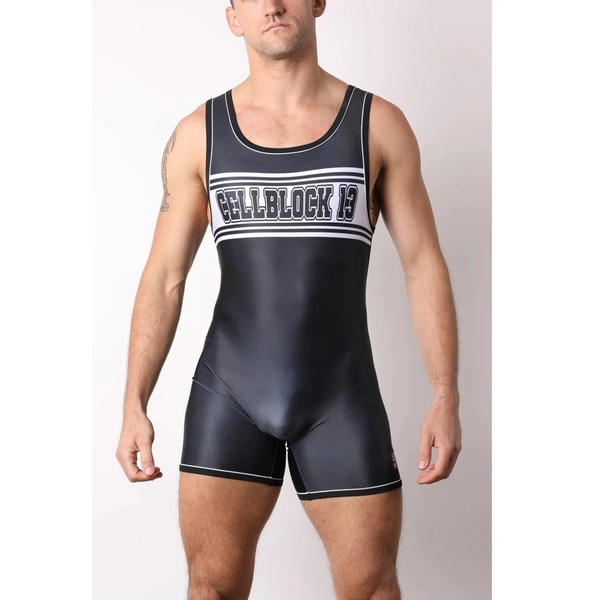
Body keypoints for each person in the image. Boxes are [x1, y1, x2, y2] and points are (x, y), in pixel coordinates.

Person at [115, 1, 462, 598]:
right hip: (229, 394)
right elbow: (165, 276)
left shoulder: (377, 124)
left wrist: (444, 394)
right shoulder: (199, 134)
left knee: (372, 590)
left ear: (318, 2)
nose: (272, 5)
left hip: (341, 399)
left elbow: (422, 263)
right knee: (211, 589)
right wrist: (133, 402)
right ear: (233, 18)